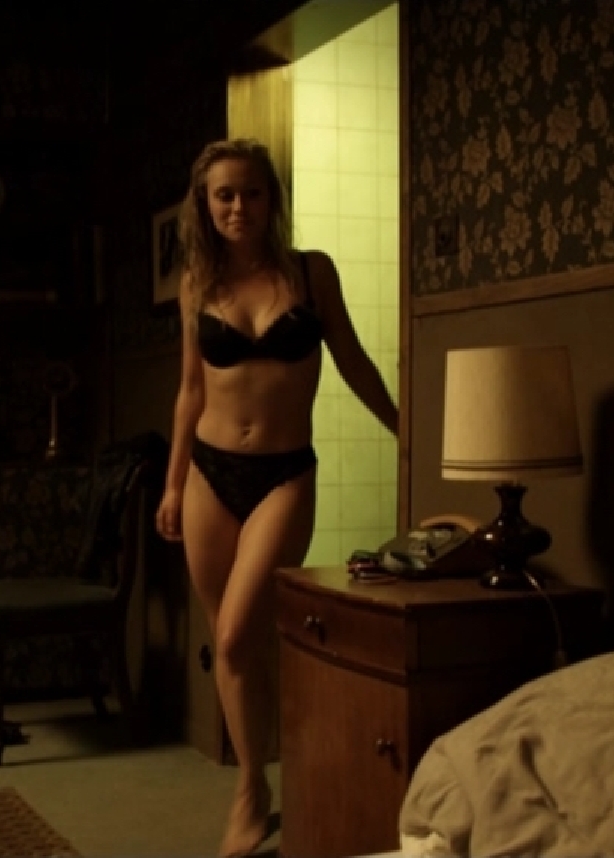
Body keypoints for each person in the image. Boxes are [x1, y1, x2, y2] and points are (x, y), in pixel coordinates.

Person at [154, 139, 399, 857]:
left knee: (238, 633)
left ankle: (266, 775)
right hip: (208, 474)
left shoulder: (310, 272)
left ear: (272, 199)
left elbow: (351, 358)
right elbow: (190, 391)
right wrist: (173, 483)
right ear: (206, 205)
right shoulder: (197, 284)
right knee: (232, 641)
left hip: (285, 474)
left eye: (252, 193)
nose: (239, 207)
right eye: (224, 195)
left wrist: (403, 427)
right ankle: (252, 789)